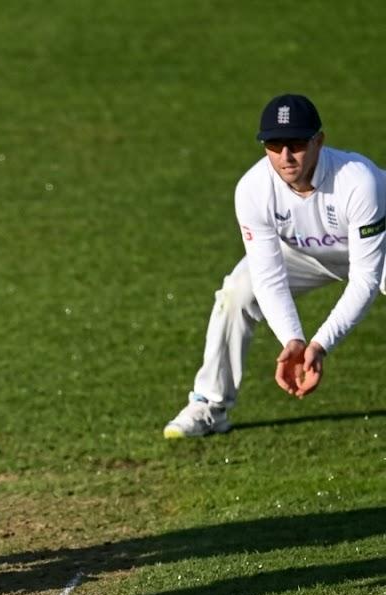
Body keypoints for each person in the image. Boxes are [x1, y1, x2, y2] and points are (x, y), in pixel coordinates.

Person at [164, 94, 386, 438]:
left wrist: (319, 344)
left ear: (318, 141)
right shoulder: (253, 189)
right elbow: (267, 278)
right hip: (307, 252)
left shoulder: (359, 182)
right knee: (239, 291)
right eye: (273, 145)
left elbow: (365, 279)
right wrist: (293, 340)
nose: (285, 156)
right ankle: (210, 405)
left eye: (295, 144)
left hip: (377, 250)